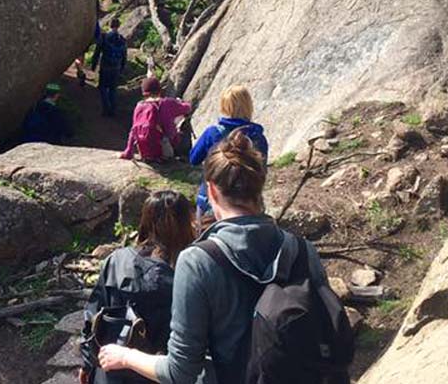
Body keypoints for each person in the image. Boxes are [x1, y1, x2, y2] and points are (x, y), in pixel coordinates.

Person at [97, 133, 333, 383]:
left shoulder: (197, 261)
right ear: (259, 186)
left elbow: (180, 372)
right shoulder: (302, 249)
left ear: (211, 190)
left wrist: (125, 356)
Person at [79, 191, 196, 384]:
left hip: (111, 368)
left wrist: (87, 364)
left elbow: (92, 317)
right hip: (159, 372)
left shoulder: (117, 260)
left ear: (145, 220)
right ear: (186, 225)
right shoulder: (187, 275)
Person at [189, 85, 269, 223]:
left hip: (213, 201)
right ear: (248, 106)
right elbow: (261, 169)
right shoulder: (258, 138)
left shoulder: (213, 133)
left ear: (224, 106)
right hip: (249, 202)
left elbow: (194, 158)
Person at [121, 78, 192, 162]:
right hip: (167, 150)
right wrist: (180, 102)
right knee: (186, 128)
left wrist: (128, 152)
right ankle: (186, 158)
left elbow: (133, 130)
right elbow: (188, 108)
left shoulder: (139, 106)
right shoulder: (167, 103)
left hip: (146, 152)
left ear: (144, 93)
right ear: (159, 90)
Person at [93, 19, 128, 117]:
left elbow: (97, 52)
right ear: (119, 26)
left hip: (105, 67)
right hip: (116, 68)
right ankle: (113, 110)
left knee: (103, 88)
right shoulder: (122, 39)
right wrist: (122, 68)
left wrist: (94, 65)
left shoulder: (104, 37)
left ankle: (106, 109)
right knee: (113, 89)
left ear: (110, 25)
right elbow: (124, 56)